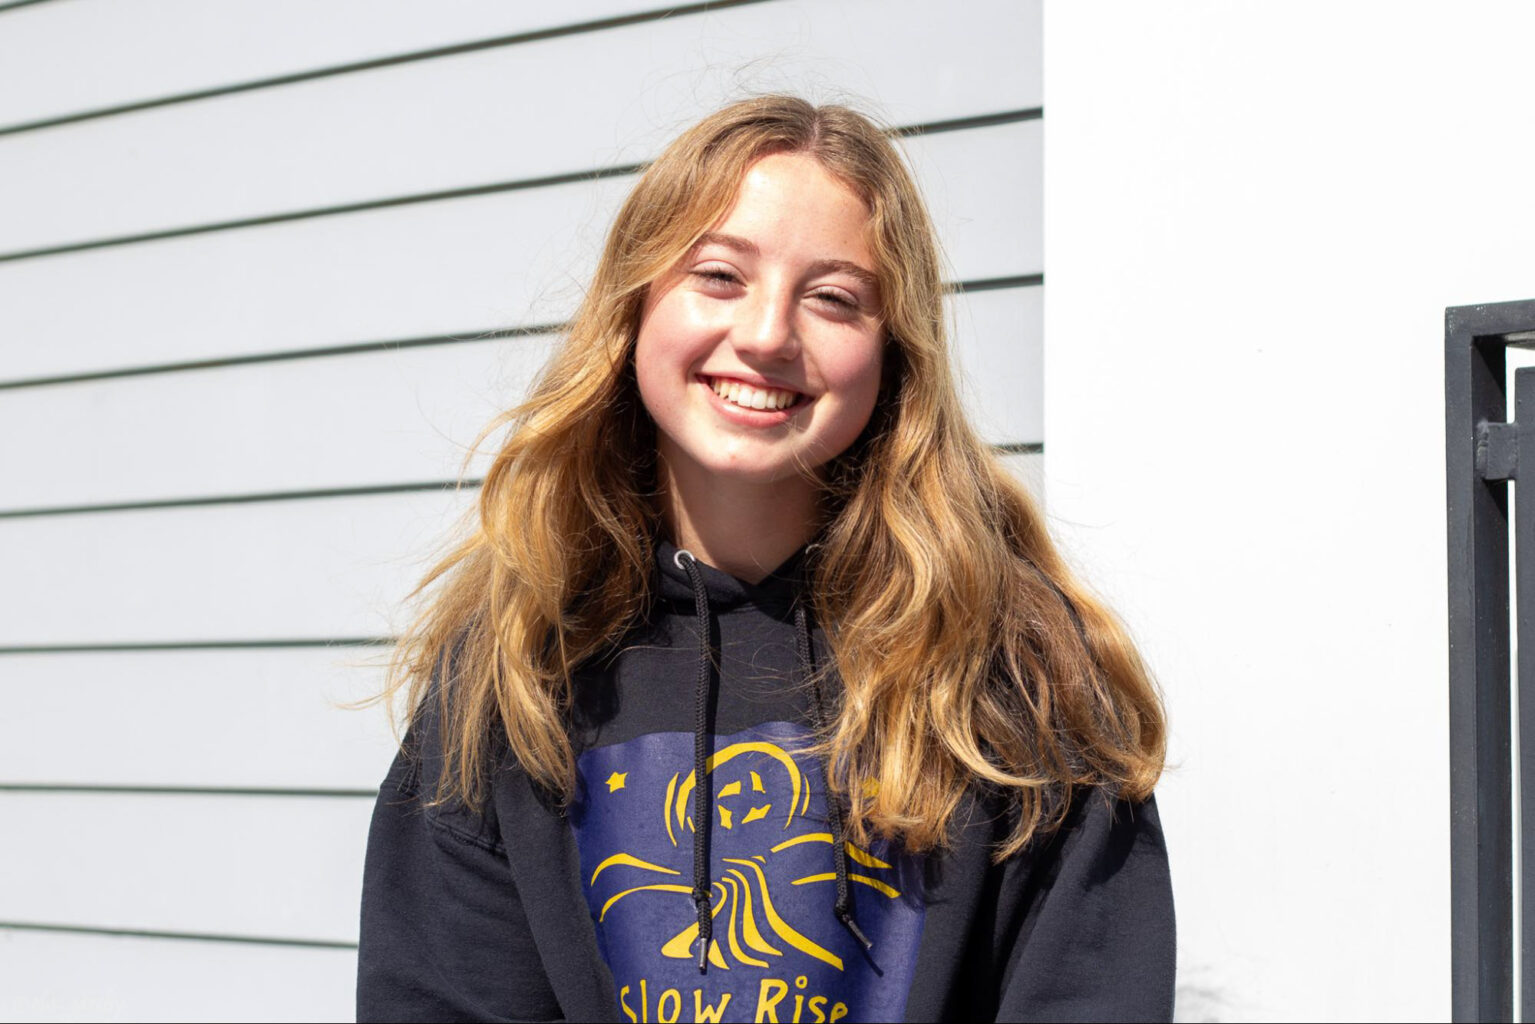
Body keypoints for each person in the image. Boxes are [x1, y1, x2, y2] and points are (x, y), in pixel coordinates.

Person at [356, 95, 1173, 1024]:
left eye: (832, 298)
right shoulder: (516, 666)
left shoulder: (1017, 667)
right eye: (717, 276)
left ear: (893, 351)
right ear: (634, 307)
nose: (766, 335)